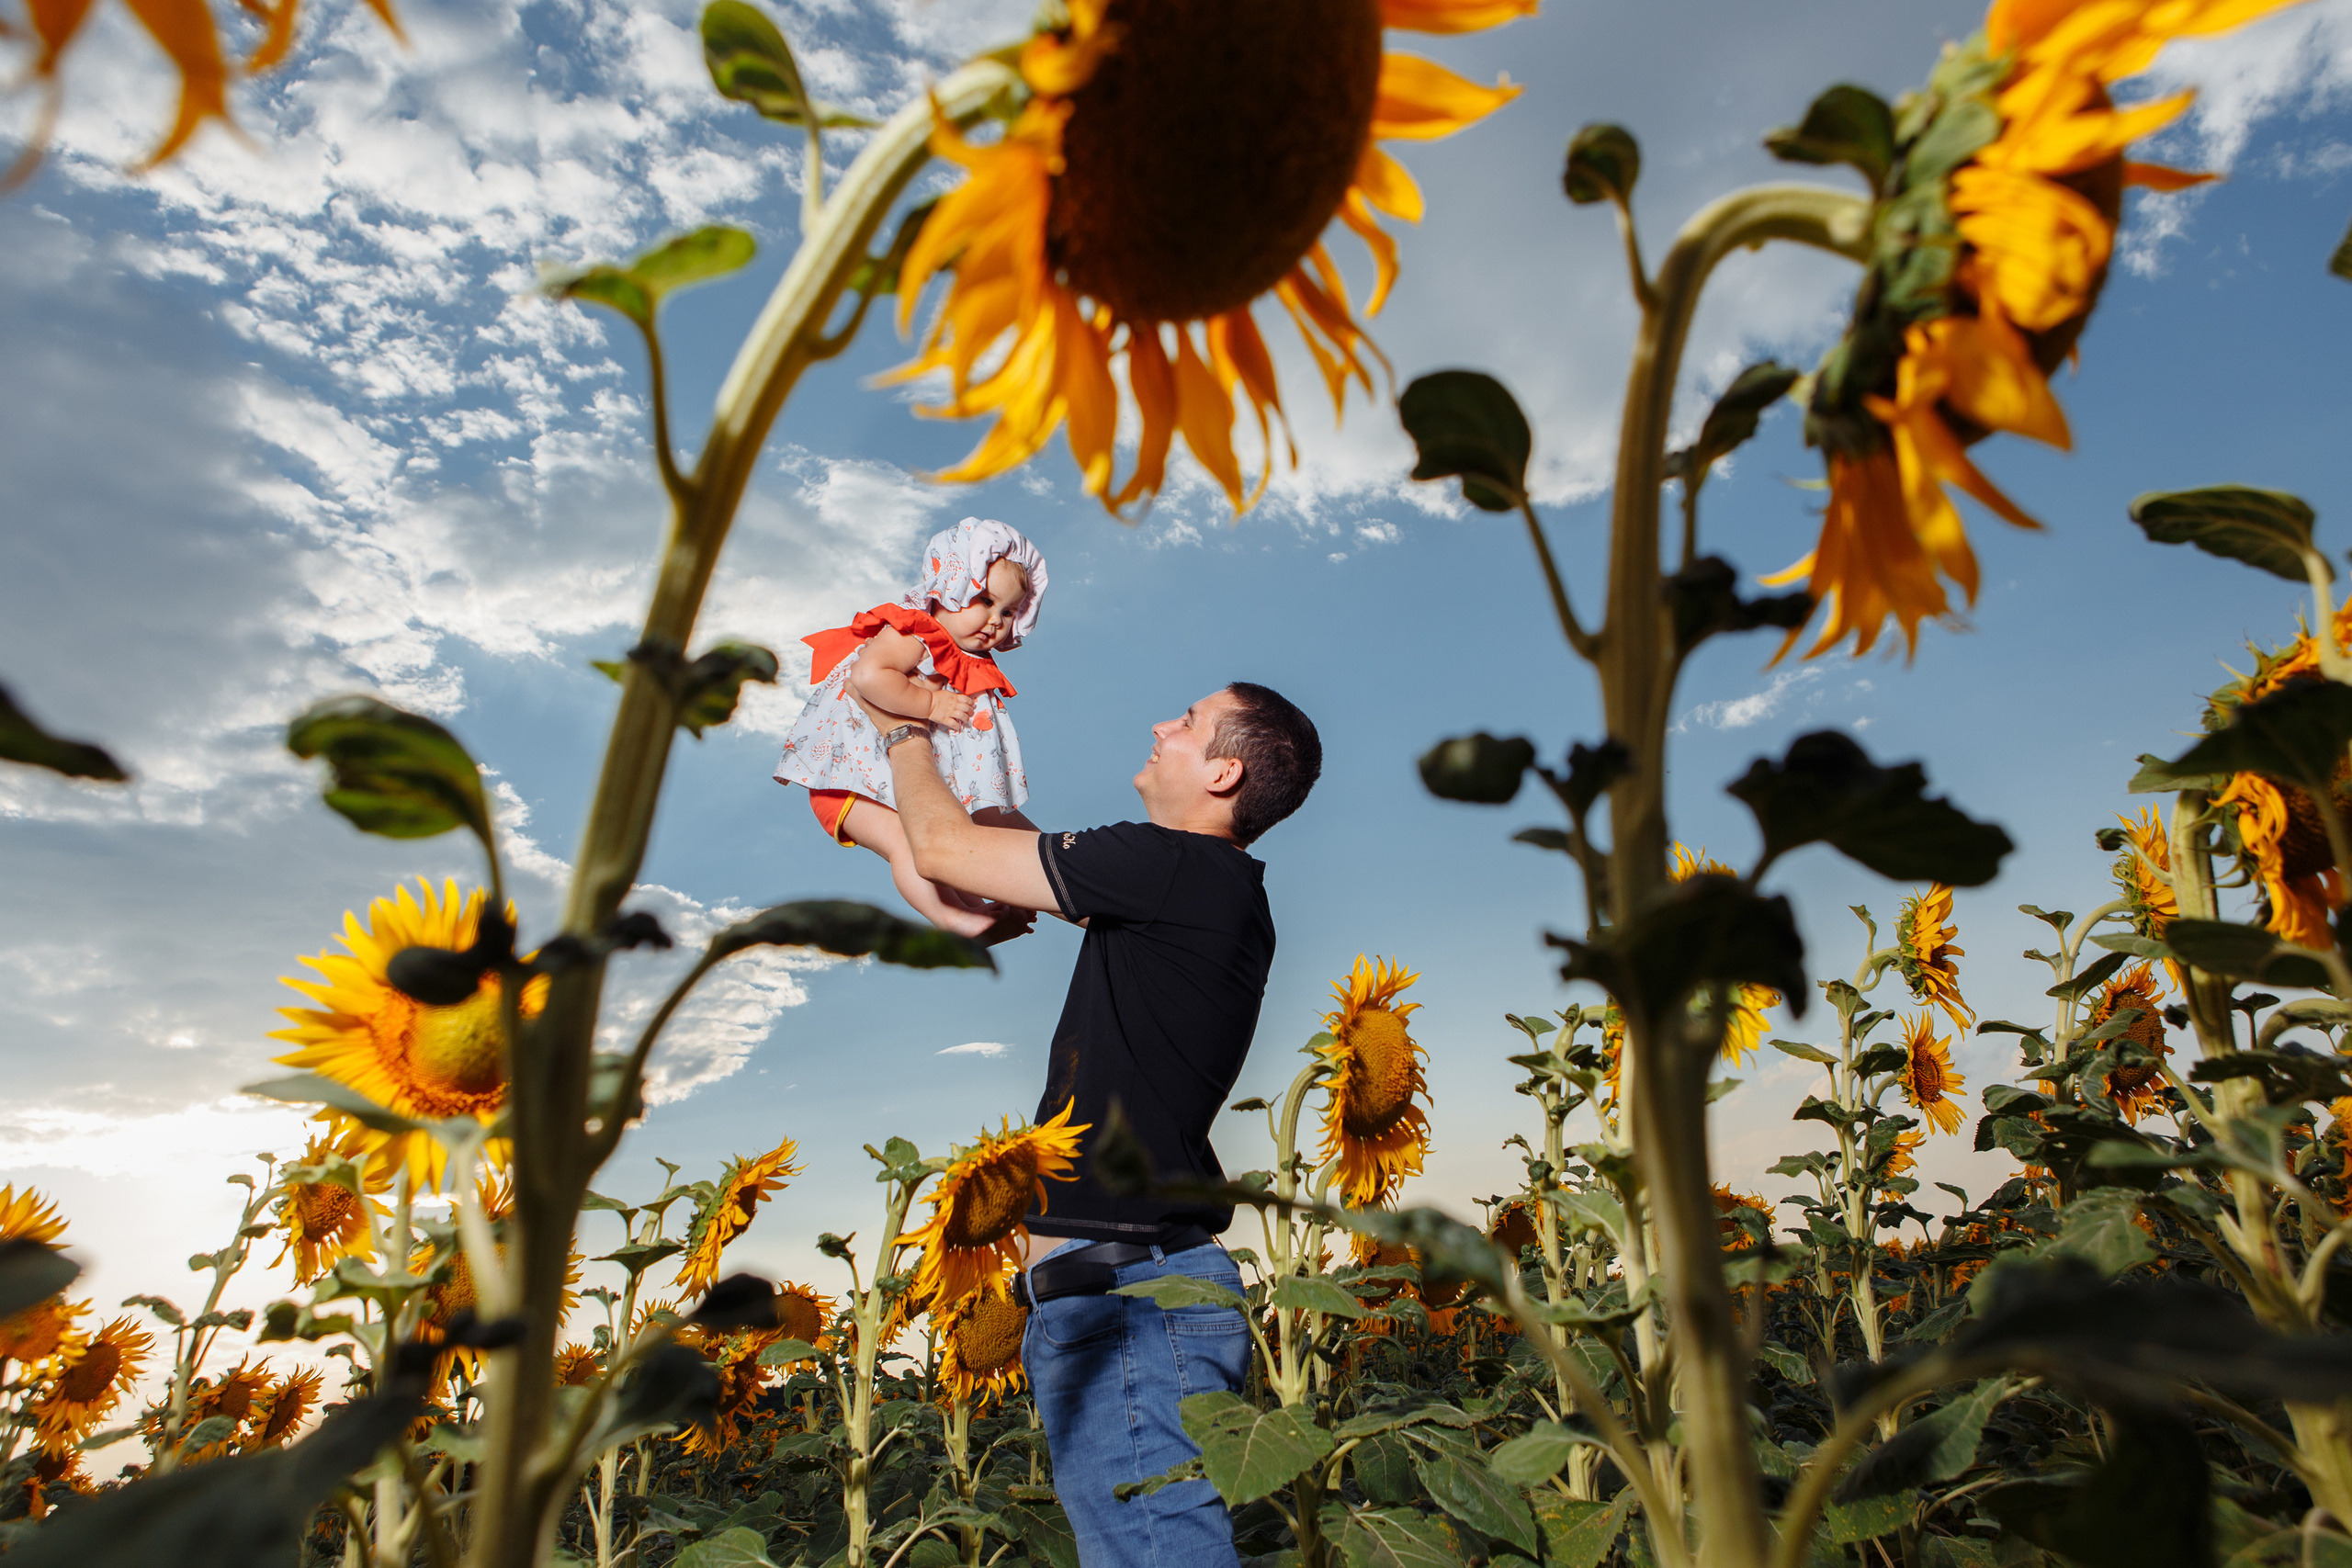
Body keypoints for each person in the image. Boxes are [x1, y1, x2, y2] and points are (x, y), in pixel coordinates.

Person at [851, 679, 1322, 1567]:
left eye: (1185, 721)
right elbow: (976, 862)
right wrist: (877, 825)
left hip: (1130, 1301)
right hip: (1125, 1290)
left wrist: (902, 730)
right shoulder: (1198, 887)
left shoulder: (1172, 866)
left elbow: (949, 846)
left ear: (1224, 771)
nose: (1158, 723)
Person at [774, 517, 1047, 941]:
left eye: (1009, 611)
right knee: (907, 841)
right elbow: (868, 678)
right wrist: (932, 702)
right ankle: (956, 921)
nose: (996, 620)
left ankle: (977, 909)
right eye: (985, 600)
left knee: (946, 841)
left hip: (890, 781)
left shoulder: (970, 663)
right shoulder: (918, 632)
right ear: (949, 587)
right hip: (848, 778)